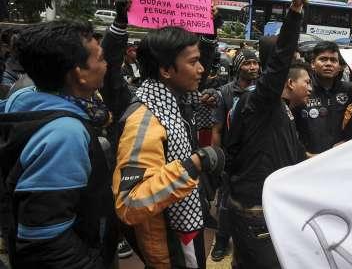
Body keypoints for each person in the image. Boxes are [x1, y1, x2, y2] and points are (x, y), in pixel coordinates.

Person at [0, 21, 119, 268]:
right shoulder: (65, 134)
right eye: (100, 58)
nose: (106, 65)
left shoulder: (24, 97)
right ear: (79, 74)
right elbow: (45, 239)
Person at [112, 26, 224, 269]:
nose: (202, 69)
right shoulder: (145, 121)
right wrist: (192, 165)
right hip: (167, 244)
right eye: (194, 62)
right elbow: (129, 202)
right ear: (165, 70)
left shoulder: (176, 103)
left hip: (183, 229)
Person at [223, 0, 309, 268]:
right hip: (254, 209)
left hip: (266, 204)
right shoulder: (260, 100)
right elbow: (281, 59)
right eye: (293, 57)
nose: (297, 63)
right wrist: (295, 12)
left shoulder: (280, 109)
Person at [209, 48, 260, 262]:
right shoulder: (224, 93)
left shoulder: (263, 91)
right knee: (225, 202)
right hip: (232, 159)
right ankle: (222, 239)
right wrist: (218, 161)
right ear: (238, 67)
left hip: (255, 158)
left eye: (255, 63)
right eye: (247, 63)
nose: (253, 67)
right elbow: (217, 130)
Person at [296, 41, 352, 155]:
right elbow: (290, 128)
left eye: (333, 60)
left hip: (339, 158)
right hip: (306, 161)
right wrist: (304, 154)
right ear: (313, 63)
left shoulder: (349, 90)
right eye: (323, 59)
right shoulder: (302, 89)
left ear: (339, 67)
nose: (329, 63)